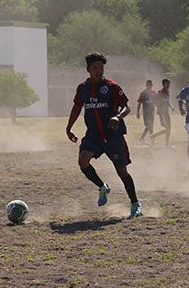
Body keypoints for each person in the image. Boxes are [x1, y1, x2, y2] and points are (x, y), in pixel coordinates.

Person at [65, 52, 142, 218]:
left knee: (122, 172)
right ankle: (102, 187)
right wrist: (69, 128)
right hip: (94, 135)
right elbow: (77, 108)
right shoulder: (82, 89)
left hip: (113, 136)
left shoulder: (112, 86)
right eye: (95, 68)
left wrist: (117, 116)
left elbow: (126, 107)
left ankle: (135, 203)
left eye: (101, 67)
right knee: (83, 161)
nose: (99, 71)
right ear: (88, 69)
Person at [152, 78, 174, 146]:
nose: (169, 85)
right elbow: (154, 101)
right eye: (167, 83)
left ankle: (156, 137)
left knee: (168, 128)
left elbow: (167, 101)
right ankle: (155, 136)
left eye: (169, 84)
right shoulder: (160, 92)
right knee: (167, 127)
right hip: (162, 113)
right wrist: (159, 107)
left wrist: (171, 107)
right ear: (163, 84)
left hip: (166, 112)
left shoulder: (167, 92)